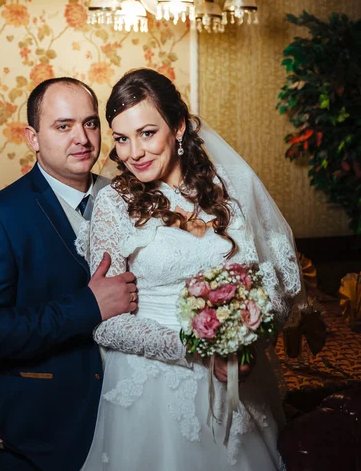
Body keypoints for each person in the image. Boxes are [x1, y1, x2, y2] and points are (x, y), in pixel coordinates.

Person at [79, 68, 304, 471]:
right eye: (122, 138)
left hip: (238, 379)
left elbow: (279, 280)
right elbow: (105, 322)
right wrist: (196, 349)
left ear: (178, 126)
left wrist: (248, 340)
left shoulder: (229, 189)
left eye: (147, 133)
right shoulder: (114, 205)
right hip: (150, 388)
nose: (134, 153)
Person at [0, 77, 137, 471]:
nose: (82, 138)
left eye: (90, 123)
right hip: (41, 435)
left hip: (133, 413)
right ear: (33, 137)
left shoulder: (130, 199)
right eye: (64, 126)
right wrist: (87, 306)